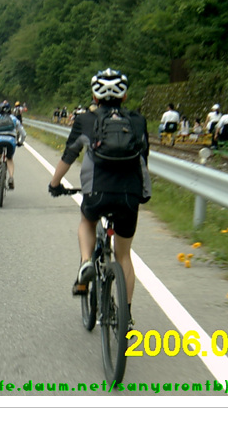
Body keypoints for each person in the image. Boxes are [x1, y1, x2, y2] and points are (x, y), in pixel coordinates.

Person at [48, 68, 151, 327]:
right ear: (124, 96)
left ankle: (86, 263)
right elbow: (143, 159)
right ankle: (126, 315)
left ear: (95, 96)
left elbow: (69, 155)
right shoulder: (138, 121)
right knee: (124, 256)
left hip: (97, 192)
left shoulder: (86, 120)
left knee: (87, 221)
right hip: (129, 193)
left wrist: (55, 183)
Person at [0, 101, 27, 189]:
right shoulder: (14, 119)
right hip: (11, 140)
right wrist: (20, 142)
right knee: (9, 158)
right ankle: (11, 177)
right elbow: (23, 134)